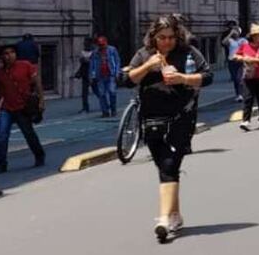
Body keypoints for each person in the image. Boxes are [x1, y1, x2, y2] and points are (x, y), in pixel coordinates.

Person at [123, 15, 213, 241]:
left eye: (171, 37)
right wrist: (147, 66)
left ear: (178, 36)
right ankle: (175, 215)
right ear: (153, 37)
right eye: (162, 38)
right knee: (164, 166)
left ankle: (163, 219)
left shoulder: (189, 53)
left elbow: (207, 76)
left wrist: (183, 78)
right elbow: (126, 79)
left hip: (181, 117)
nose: (166, 42)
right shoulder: (144, 54)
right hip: (152, 120)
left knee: (170, 165)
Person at [0, 44, 45, 174]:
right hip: (7, 108)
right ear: (1, 57)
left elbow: (36, 82)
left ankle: (39, 155)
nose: (9, 56)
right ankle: (1, 164)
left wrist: (41, 100)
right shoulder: (1, 72)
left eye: (12, 52)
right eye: (6, 53)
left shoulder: (25, 65)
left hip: (23, 107)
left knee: (29, 134)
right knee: (1, 136)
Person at [234, 24, 259, 131]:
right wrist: (243, 58)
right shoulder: (245, 46)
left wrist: (254, 60)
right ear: (252, 36)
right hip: (248, 76)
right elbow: (236, 56)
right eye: (257, 35)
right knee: (248, 98)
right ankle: (246, 121)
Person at [89, 35, 121, 117]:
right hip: (100, 75)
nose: (102, 47)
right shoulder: (95, 52)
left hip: (111, 74)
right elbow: (92, 64)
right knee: (102, 94)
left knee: (112, 92)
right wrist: (92, 75)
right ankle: (105, 111)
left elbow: (117, 61)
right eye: (100, 45)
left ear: (106, 43)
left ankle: (113, 109)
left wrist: (117, 72)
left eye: (103, 44)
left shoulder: (112, 50)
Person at [221, 20, 244, 101]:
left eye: (236, 31)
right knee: (235, 78)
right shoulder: (230, 41)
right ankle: (238, 94)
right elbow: (223, 42)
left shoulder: (242, 40)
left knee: (239, 78)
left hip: (240, 61)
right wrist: (230, 34)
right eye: (234, 32)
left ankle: (241, 94)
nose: (235, 33)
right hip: (231, 61)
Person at [74, 38, 94, 113]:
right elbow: (82, 62)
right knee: (84, 92)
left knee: (98, 90)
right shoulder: (83, 52)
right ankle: (85, 107)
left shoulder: (94, 52)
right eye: (85, 44)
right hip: (85, 73)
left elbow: (94, 62)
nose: (85, 45)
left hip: (92, 73)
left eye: (86, 44)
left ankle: (105, 105)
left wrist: (87, 60)